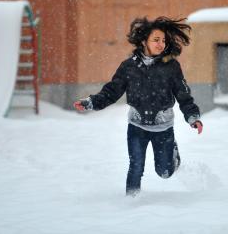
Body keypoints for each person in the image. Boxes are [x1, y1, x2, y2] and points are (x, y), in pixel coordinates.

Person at [74, 16, 203, 196]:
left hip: (163, 127)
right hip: (136, 126)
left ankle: (172, 155)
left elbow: (183, 94)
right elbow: (112, 91)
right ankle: (131, 203)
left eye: (163, 40)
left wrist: (192, 117)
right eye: (156, 40)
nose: (161, 44)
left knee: (164, 172)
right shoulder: (129, 67)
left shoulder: (171, 66)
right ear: (144, 41)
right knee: (136, 167)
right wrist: (91, 102)